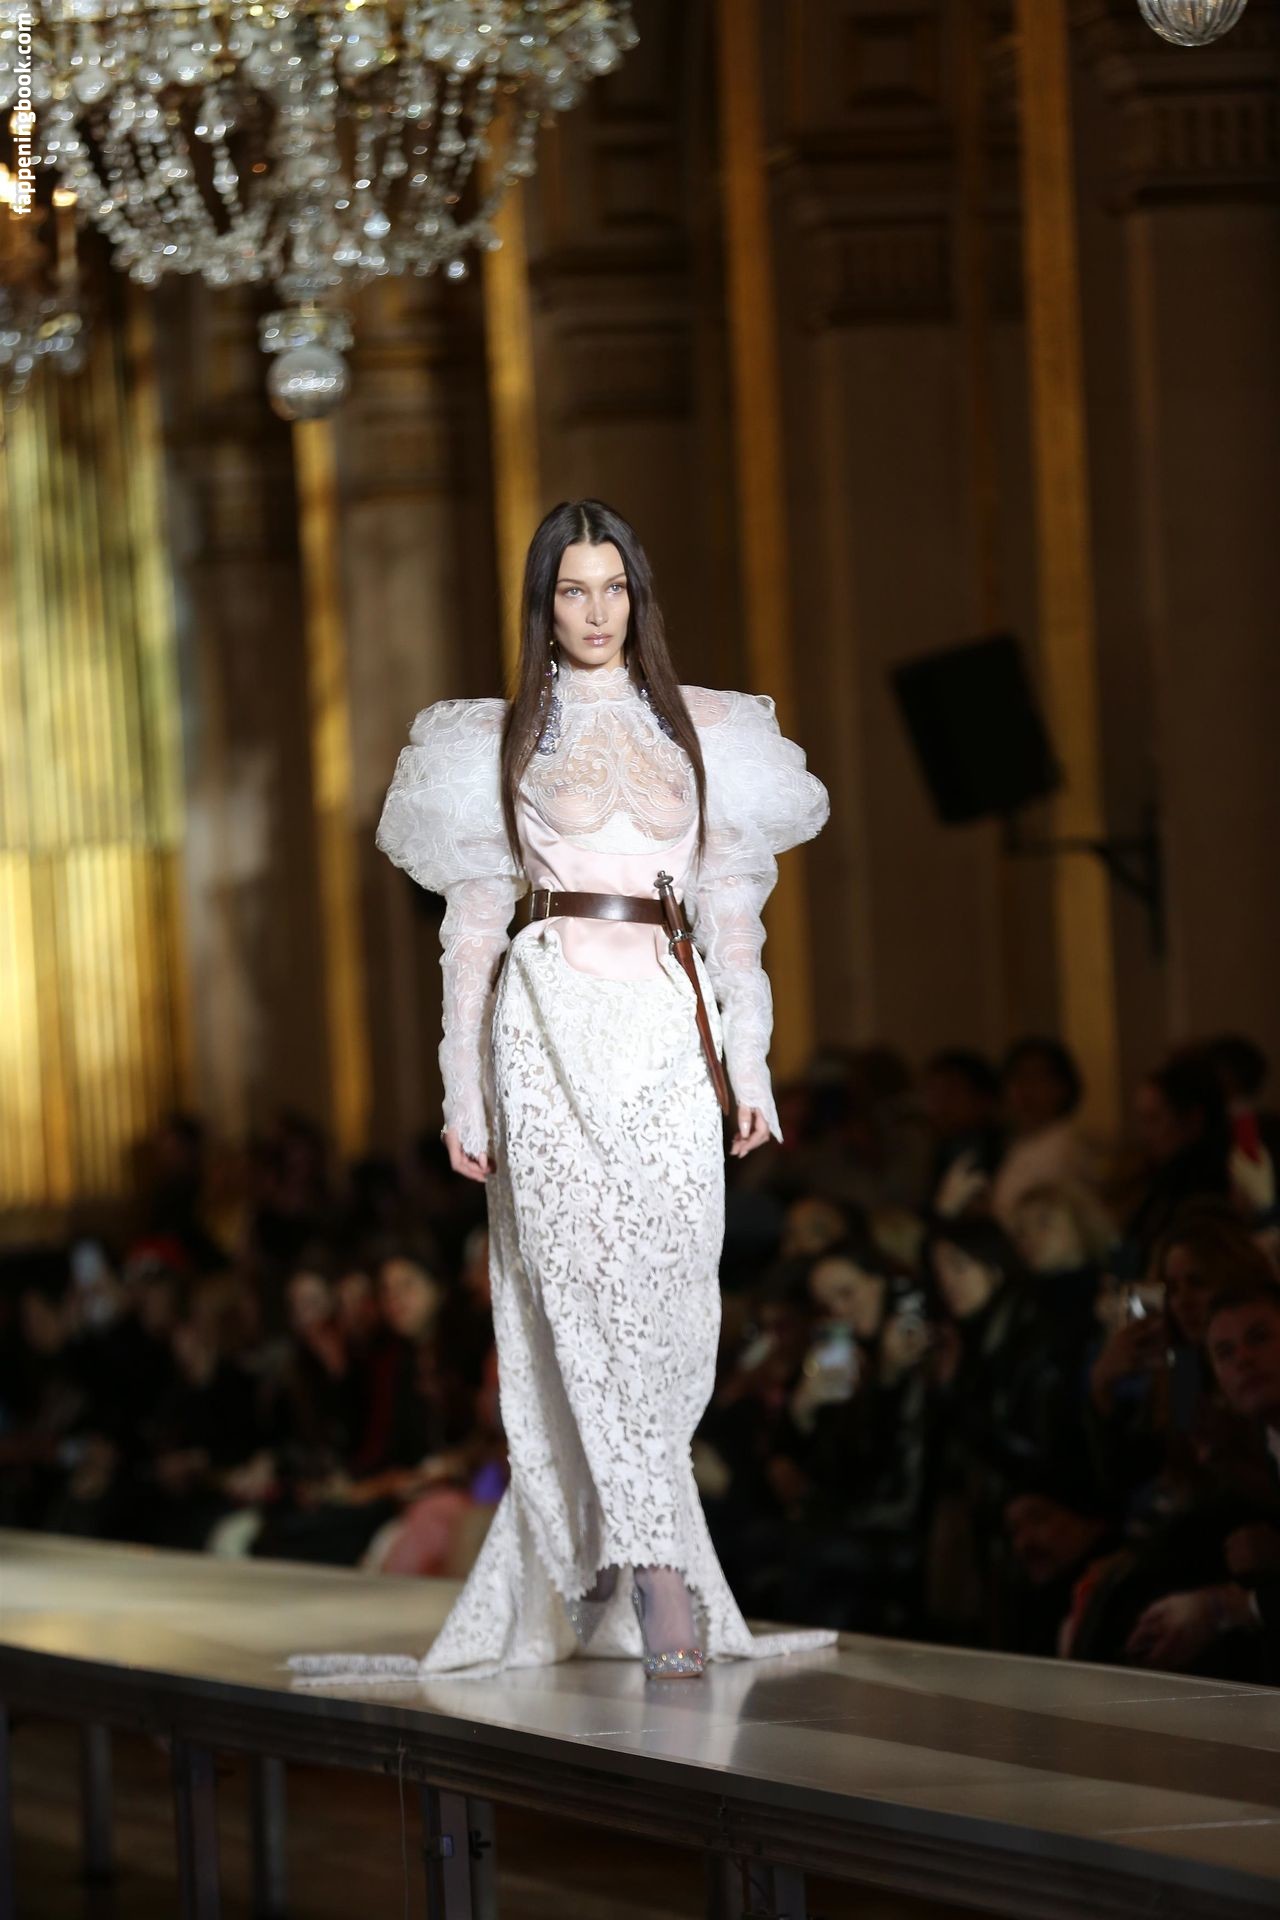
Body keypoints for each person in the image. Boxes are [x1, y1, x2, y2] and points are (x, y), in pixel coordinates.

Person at [289, 498, 836, 1684]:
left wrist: (748, 1061)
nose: (595, 612)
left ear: (638, 598)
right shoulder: (494, 744)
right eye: (572, 591)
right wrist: (462, 1092)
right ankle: (650, 1566)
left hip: (666, 1022)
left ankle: (596, 1528)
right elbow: (470, 935)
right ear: (542, 607)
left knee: (673, 1294)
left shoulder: (708, 731)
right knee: (578, 1290)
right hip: (544, 1020)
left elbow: (731, 917)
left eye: (612, 588)